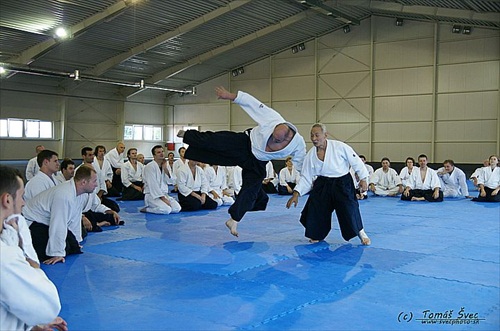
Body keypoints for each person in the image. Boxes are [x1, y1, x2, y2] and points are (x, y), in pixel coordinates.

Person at [178, 86, 306, 237]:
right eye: (272, 135)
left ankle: (234, 219)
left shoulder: (299, 145)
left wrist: (301, 189)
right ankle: (187, 135)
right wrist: (230, 96)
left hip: (258, 161)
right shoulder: (272, 118)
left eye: (277, 140)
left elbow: (302, 166)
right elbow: (252, 103)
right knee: (216, 141)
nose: (272, 139)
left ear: (288, 137)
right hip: (245, 143)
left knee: (251, 189)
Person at [0, 165, 68, 331]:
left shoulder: (9, 240)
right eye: (22, 197)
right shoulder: (5, 257)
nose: (24, 203)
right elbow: (48, 307)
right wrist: (24, 254)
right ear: (7, 200)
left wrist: (31, 326)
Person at [286, 123, 370, 245]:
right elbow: (306, 176)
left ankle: (361, 232)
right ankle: (316, 234)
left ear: (325, 135)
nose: (314, 138)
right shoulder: (310, 155)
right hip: (322, 183)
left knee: (349, 209)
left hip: (342, 182)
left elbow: (356, 161)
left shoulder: (340, 147)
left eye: (317, 135)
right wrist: (296, 194)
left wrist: (363, 178)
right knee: (316, 208)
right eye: (311, 135)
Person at [23, 166, 99, 264]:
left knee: (73, 248)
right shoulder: (64, 195)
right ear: (84, 182)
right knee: (53, 250)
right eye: (94, 181)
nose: (96, 184)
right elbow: (58, 223)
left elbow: (75, 218)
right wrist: (57, 253)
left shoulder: (80, 193)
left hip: (47, 222)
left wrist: (76, 241)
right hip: (33, 221)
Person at [141, 145, 181, 214]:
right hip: (152, 196)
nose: (161, 153)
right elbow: (153, 185)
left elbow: (171, 181)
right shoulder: (149, 167)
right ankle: (147, 209)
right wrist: (164, 199)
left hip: (164, 194)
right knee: (166, 210)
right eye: (158, 152)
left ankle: (160, 205)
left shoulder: (165, 165)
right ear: (154, 155)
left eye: (162, 151)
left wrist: (165, 169)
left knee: (177, 208)